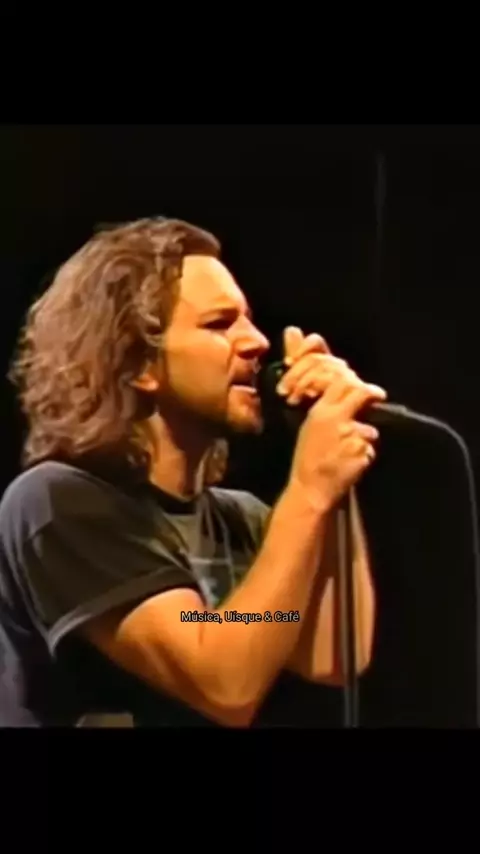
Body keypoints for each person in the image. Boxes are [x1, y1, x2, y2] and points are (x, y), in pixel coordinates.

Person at [0, 216, 386, 727]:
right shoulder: (57, 503)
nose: (257, 342)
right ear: (139, 362)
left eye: (248, 320)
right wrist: (310, 488)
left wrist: (336, 466)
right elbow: (223, 685)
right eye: (219, 324)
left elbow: (334, 653)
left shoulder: (238, 519)